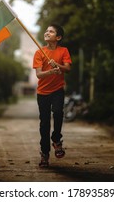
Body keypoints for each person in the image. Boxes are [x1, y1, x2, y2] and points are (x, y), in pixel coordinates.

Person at [33, 24, 72, 167]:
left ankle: (56, 140)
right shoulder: (39, 52)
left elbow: (67, 68)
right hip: (42, 93)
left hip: (57, 90)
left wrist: (57, 65)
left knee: (57, 113)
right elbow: (38, 75)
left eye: (51, 31)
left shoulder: (64, 51)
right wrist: (50, 71)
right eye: (46, 30)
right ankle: (44, 154)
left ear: (58, 37)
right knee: (44, 124)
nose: (47, 33)